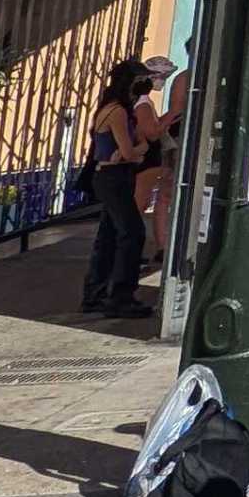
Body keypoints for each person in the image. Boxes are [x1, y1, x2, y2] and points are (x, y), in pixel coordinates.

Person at [77, 57, 170, 317]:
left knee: (109, 236)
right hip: (112, 177)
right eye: (142, 81)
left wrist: (133, 151)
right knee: (132, 233)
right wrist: (137, 151)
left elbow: (133, 145)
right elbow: (132, 150)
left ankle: (96, 294)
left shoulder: (121, 109)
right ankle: (120, 295)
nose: (147, 86)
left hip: (116, 175)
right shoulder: (116, 111)